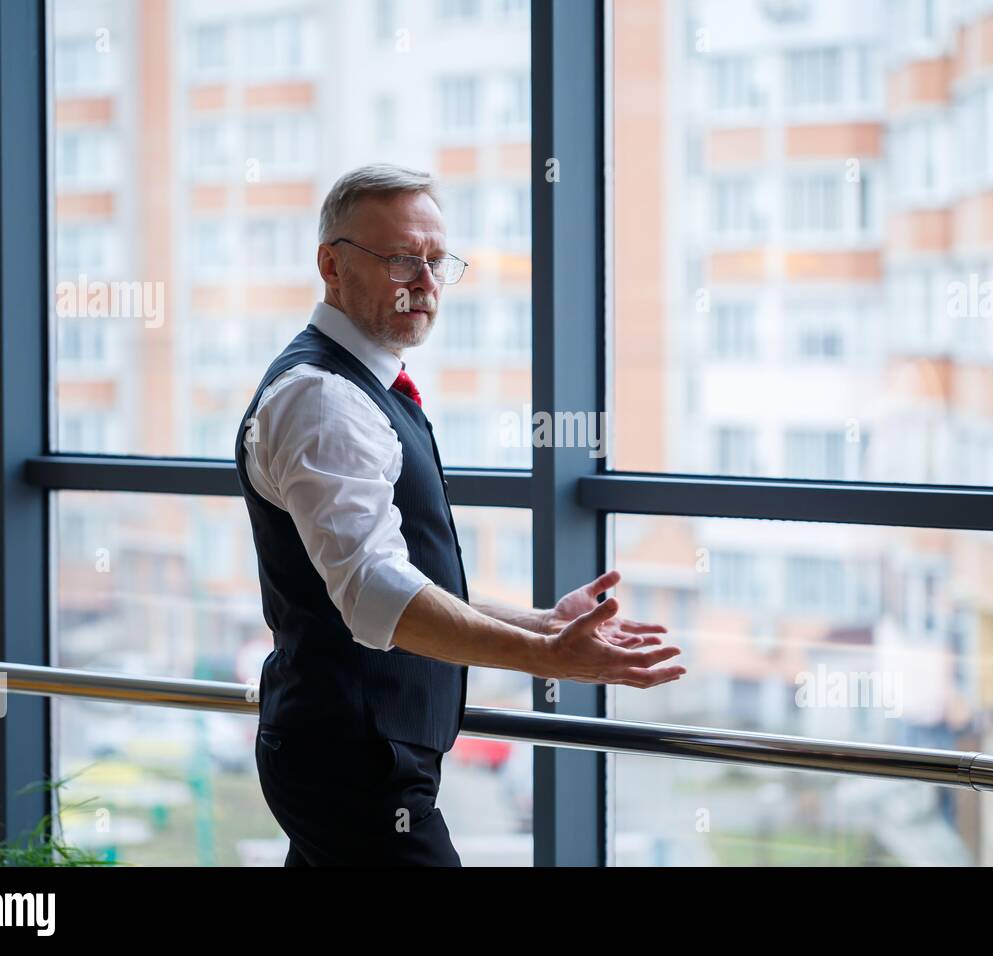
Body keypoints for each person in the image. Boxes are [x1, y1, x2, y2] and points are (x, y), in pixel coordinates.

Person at [235, 163, 685, 866]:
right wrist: (546, 657)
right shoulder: (324, 398)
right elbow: (376, 594)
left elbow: (403, 577)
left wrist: (544, 623)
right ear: (331, 264)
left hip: (359, 755)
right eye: (400, 260)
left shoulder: (361, 387)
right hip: (353, 767)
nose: (426, 281)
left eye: (437, 260)